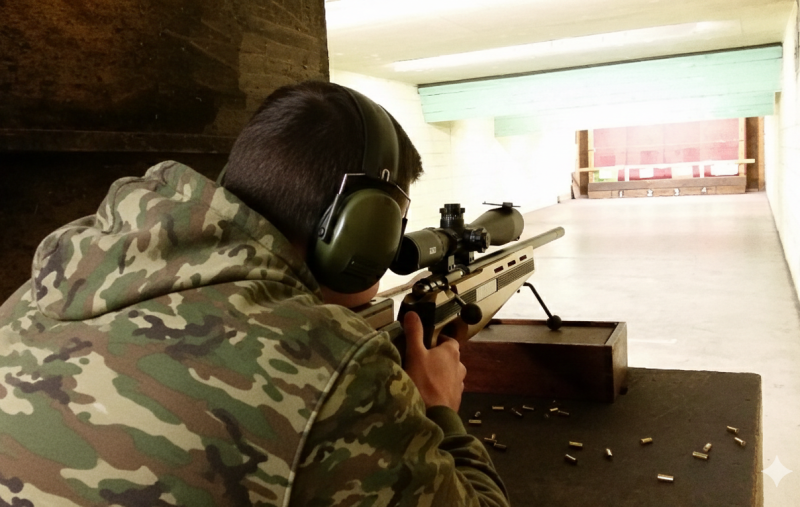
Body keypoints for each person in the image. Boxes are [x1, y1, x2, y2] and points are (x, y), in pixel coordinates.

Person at [0, 81, 509, 506]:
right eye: (392, 227)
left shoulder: (45, 285)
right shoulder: (332, 363)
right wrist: (438, 408)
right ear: (362, 232)